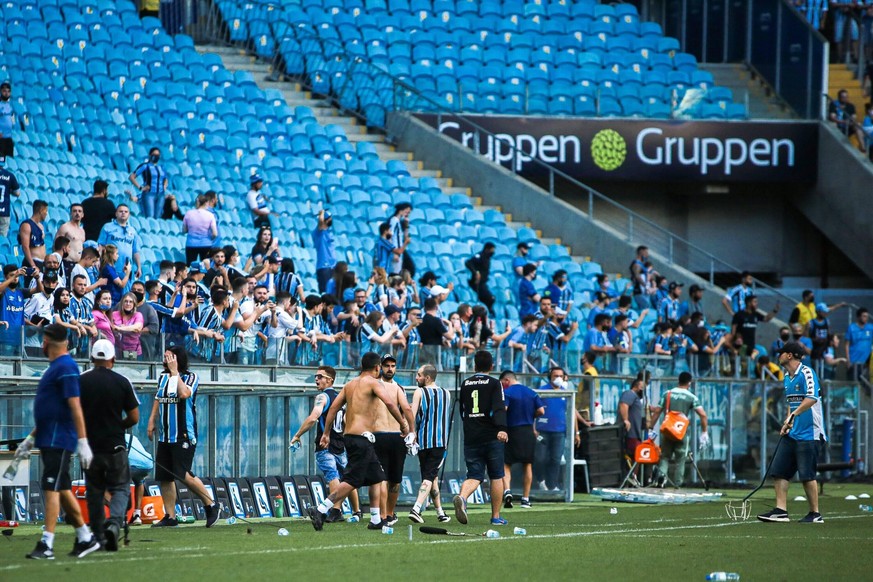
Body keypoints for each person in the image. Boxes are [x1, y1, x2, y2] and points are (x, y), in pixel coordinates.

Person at [15, 324, 100, 559]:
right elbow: (50, 409)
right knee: (61, 488)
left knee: (50, 486)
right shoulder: (55, 368)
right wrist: (30, 438)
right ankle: (85, 537)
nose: (41, 344)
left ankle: (47, 543)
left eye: (44, 339)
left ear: (51, 341)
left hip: (59, 439)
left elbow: (75, 406)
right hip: (48, 437)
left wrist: (82, 441)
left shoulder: (66, 367)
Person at [308, 351, 410, 531]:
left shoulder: (350, 384)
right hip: (361, 439)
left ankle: (376, 519)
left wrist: (326, 432)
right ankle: (321, 509)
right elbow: (390, 403)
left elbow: (333, 408)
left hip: (351, 437)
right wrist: (403, 424)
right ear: (377, 367)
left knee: (377, 476)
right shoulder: (373, 383)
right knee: (352, 480)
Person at [146, 346, 221, 527]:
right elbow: (158, 399)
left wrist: (175, 372)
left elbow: (185, 394)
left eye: (169, 357)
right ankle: (170, 516)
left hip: (184, 435)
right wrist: (151, 421)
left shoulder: (191, 377)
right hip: (166, 436)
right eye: (165, 358)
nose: (165, 360)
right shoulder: (162, 378)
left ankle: (211, 505)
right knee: (165, 476)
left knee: (183, 474)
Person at [79, 339, 139, 551]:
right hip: (115, 446)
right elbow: (134, 417)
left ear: (92, 358)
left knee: (94, 491)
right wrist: (118, 426)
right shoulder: (122, 382)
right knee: (121, 488)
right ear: (113, 359)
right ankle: (114, 523)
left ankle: (97, 536)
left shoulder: (81, 381)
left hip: (90, 446)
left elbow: (73, 412)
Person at [757, 342, 826, 524]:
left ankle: (815, 513)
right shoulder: (787, 377)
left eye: (781, 353)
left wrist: (794, 415)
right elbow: (792, 403)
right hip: (792, 432)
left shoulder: (807, 373)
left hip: (810, 433)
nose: (778, 356)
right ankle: (781, 511)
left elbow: (812, 398)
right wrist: (787, 422)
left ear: (789, 355)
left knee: (806, 475)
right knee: (779, 471)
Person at [289, 365, 361, 524]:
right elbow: (345, 421)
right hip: (340, 444)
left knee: (332, 476)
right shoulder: (341, 397)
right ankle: (357, 511)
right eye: (316, 376)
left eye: (320, 376)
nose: (316, 379)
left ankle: (336, 510)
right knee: (348, 478)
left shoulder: (323, 397)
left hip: (325, 443)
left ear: (330, 380)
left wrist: (297, 435)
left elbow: (314, 417)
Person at [453, 350, 509, 527]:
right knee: (496, 475)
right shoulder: (494, 383)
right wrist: (501, 428)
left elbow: (463, 410)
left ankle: (462, 497)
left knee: (475, 475)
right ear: (492, 366)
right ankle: (495, 516)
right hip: (491, 436)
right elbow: (498, 407)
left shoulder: (466, 383)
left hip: (471, 436)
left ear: (474, 366)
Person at [371, 354, 416, 527]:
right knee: (384, 478)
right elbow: (405, 409)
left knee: (394, 479)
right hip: (382, 434)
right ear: (380, 367)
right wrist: (411, 430)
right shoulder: (376, 386)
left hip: (395, 436)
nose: (390, 369)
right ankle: (384, 513)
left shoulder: (398, 388)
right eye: (387, 365)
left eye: (393, 365)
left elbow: (406, 409)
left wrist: (411, 432)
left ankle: (388, 513)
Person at [647, 371, 708, 488]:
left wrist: (650, 428)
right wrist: (704, 432)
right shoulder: (691, 397)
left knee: (664, 456)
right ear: (689, 383)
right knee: (680, 459)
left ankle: (661, 478)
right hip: (681, 433)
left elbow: (657, 412)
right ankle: (677, 484)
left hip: (667, 430)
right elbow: (703, 415)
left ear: (678, 380)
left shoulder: (667, 394)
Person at [408, 363, 452, 523]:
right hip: (439, 442)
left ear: (427, 377)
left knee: (430, 477)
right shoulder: (446, 393)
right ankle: (417, 508)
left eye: (419, 375)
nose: (416, 377)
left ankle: (440, 512)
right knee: (430, 476)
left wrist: (410, 434)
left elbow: (412, 417)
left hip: (423, 442)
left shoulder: (419, 392)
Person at [499, 370, 545, 510]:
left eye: (502, 383)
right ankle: (525, 499)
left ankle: (507, 491)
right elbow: (541, 411)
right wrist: (531, 415)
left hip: (512, 430)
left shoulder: (508, 393)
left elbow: (504, 409)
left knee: (506, 464)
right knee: (527, 464)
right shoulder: (531, 392)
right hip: (527, 431)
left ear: (507, 380)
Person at [535, 366, 580, 491]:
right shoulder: (542, 391)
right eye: (555, 376)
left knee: (555, 459)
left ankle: (552, 485)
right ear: (550, 377)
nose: (558, 378)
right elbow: (533, 410)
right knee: (540, 458)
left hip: (559, 431)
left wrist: (576, 432)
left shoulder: (566, 393)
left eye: (560, 376)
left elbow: (573, 413)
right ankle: (540, 481)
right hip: (542, 430)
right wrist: (533, 428)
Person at [98, 204, 143, 285]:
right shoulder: (107, 227)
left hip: (126, 268)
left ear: (129, 214)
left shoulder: (132, 231)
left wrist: (139, 267)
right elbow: (101, 246)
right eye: (120, 211)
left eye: (126, 212)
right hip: (110, 267)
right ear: (116, 213)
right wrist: (98, 261)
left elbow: (135, 251)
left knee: (125, 293)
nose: (123, 213)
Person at [129, 147, 168, 219]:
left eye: (158, 155)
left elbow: (165, 179)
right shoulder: (145, 166)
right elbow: (132, 177)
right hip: (149, 194)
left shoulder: (162, 167)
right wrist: (140, 187)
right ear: (150, 155)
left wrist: (164, 186)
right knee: (150, 216)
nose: (156, 156)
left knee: (158, 217)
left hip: (161, 195)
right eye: (154, 154)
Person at [126, 431, 154, 526]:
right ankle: (137, 515)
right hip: (147, 464)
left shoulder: (115, 439)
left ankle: (123, 517)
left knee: (120, 484)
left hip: (132, 466)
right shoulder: (132, 437)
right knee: (139, 482)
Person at [182, 194, 218, 264]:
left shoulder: (189, 213)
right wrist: (210, 239)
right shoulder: (210, 215)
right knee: (206, 266)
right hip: (206, 243)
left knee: (190, 266)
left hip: (191, 244)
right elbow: (215, 233)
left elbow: (184, 230)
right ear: (206, 203)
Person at [618, 377, 645, 461]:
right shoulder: (630, 393)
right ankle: (632, 474)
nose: (643, 390)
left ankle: (634, 474)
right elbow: (623, 404)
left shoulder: (636, 398)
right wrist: (625, 419)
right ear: (636, 387)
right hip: (630, 434)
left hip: (636, 434)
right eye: (641, 387)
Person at [465, 243, 496, 315]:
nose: (493, 252)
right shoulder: (480, 256)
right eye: (492, 250)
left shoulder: (487, 258)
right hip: (477, 283)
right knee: (489, 298)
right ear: (487, 249)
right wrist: (475, 272)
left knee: (491, 298)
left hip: (483, 283)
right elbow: (468, 263)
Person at [18, 199, 48, 270]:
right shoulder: (27, 225)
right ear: (40, 211)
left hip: (42, 263)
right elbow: (25, 247)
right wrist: (33, 265)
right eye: (46, 211)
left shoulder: (41, 226)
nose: (47, 213)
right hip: (32, 262)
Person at [845, 307, 873, 380]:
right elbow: (847, 344)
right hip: (854, 361)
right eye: (864, 316)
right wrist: (848, 360)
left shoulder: (870, 328)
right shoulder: (851, 328)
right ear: (859, 317)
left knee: (866, 384)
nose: (866, 318)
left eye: (867, 316)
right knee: (854, 383)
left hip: (867, 363)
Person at [313, 209, 337, 293]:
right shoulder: (318, 232)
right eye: (328, 219)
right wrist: (322, 213)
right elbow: (320, 223)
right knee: (325, 293)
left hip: (332, 266)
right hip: (324, 266)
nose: (330, 220)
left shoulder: (329, 232)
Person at [0, 160, 20, 236]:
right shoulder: (10, 175)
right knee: (1, 240)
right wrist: (9, 190)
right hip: (4, 212)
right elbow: (17, 193)